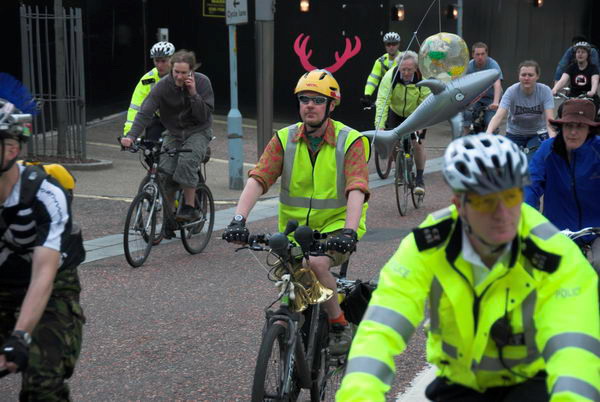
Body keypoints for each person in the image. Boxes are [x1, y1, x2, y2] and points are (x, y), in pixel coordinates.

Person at [337, 133, 600, 401]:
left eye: (510, 197)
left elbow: (574, 344)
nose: (502, 213)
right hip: (461, 382)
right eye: (485, 201)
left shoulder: (553, 251)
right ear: (458, 205)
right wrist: (360, 394)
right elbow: (381, 326)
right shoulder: (429, 243)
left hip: (531, 380)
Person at [223, 69, 370, 356]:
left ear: (331, 105)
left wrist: (349, 232)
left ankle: (340, 325)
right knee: (294, 282)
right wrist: (238, 219)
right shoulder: (284, 138)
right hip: (293, 232)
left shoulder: (349, 140)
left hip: (336, 228)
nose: (310, 105)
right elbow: (258, 178)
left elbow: (357, 188)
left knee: (316, 264)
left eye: (317, 100)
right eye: (304, 99)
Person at [0, 99, 86, 400]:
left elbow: (43, 276)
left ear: (11, 149)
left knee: (42, 386)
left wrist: (20, 337)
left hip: (49, 288)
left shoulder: (45, 194)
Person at [120, 49, 214, 227]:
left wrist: (193, 94)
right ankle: (170, 215)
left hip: (198, 131)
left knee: (186, 163)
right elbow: (145, 111)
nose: (179, 76)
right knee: (165, 171)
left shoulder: (202, 82)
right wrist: (131, 135)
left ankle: (189, 207)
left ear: (191, 71)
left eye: (184, 73)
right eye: (176, 72)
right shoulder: (163, 85)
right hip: (174, 132)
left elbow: (204, 116)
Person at [525, 99, 600, 271]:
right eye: (568, 125)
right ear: (561, 126)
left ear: (590, 129)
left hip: (596, 228)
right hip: (556, 227)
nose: (573, 132)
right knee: (541, 265)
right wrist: (526, 217)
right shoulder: (547, 149)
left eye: (580, 126)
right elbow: (530, 184)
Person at [374, 51, 431, 194]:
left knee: (417, 143)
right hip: (396, 112)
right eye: (403, 69)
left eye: (409, 69)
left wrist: (422, 124)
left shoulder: (421, 77)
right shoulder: (390, 77)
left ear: (416, 68)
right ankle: (399, 170)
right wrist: (380, 125)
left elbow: (427, 101)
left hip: (416, 114)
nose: (406, 73)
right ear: (398, 67)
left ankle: (419, 179)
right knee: (392, 141)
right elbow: (382, 101)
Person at [486, 60, 556, 149]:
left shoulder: (545, 91)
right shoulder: (511, 91)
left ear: (537, 76)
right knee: (510, 160)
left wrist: (553, 140)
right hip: (514, 134)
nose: (526, 78)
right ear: (519, 76)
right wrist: (488, 134)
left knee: (531, 158)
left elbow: (549, 120)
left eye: (530, 75)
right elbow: (498, 116)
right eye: (523, 75)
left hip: (537, 134)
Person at [123, 41, 175, 143]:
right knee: (149, 145)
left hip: (181, 120)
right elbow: (136, 106)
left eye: (163, 61)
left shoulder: (180, 74)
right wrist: (129, 134)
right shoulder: (148, 79)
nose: (159, 65)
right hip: (160, 118)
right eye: (156, 61)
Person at [463, 42, 504, 134]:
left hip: (491, 99)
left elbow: (497, 84)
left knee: (490, 122)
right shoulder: (469, 66)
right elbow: (464, 85)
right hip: (476, 98)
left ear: (486, 54)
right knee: (466, 114)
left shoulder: (493, 65)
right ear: (473, 55)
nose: (480, 57)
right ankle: (466, 138)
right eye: (477, 54)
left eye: (482, 54)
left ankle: (492, 143)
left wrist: (496, 102)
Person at [361, 32, 402, 108]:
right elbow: (373, 79)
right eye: (388, 44)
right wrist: (367, 94)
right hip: (385, 96)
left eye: (394, 44)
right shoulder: (380, 61)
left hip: (401, 97)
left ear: (398, 44)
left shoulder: (405, 59)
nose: (391, 47)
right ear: (385, 45)